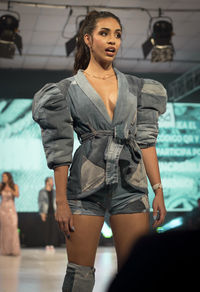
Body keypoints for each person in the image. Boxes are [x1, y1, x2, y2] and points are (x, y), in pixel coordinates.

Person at [32, 10, 167, 292]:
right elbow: (60, 148)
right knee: (80, 276)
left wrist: (158, 190)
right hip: (84, 183)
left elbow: (146, 142)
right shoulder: (66, 90)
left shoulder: (138, 87)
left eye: (117, 35)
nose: (112, 40)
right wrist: (60, 202)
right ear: (87, 39)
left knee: (137, 274)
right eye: (104, 33)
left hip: (131, 183)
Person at [0, 172, 20, 256]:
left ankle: (13, 250)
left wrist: (10, 189)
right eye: (2, 176)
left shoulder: (14, 185)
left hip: (11, 209)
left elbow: (17, 195)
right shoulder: (1, 185)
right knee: (4, 229)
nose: (3, 178)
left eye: (4, 176)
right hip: (3, 209)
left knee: (13, 227)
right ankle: (5, 250)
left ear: (9, 177)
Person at [38, 177, 58, 250]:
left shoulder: (54, 191)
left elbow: (56, 202)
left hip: (53, 211)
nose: (53, 182)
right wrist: (42, 213)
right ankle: (47, 244)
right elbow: (40, 202)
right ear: (47, 182)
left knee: (53, 228)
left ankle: (52, 244)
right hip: (45, 212)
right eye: (51, 180)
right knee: (46, 229)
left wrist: (57, 212)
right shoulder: (42, 191)